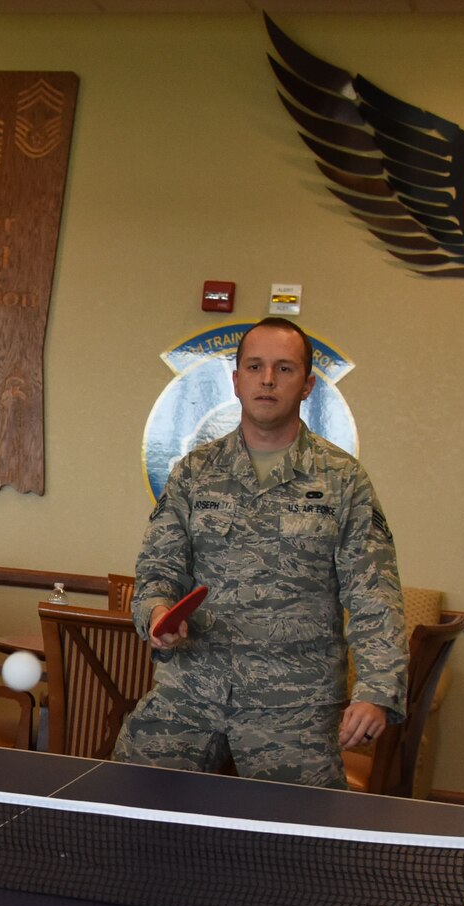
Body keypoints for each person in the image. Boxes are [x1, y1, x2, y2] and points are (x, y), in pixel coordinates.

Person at [114, 317, 406, 788]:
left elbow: (374, 595)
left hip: (294, 704)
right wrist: (156, 612)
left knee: (297, 846)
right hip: (191, 688)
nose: (267, 379)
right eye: (254, 366)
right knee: (126, 807)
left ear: (308, 385)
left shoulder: (343, 479)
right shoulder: (194, 471)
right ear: (236, 380)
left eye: (284, 369)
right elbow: (158, 568)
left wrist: (376, 690)